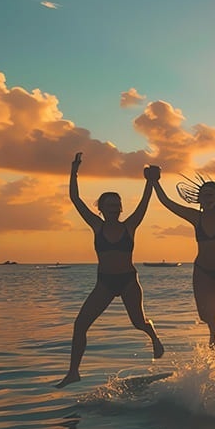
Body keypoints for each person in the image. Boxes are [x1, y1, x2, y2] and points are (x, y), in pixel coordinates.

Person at [57, 153, 165, 388]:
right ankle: (73, 372)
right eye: (110, 206)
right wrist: (74, 171)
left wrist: (150, 181)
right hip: (105, 282)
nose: (114, 209)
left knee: (138, 322)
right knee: (80, 324)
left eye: (117, 205)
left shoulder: (130, 225)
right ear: (102, 209)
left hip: (127, 281)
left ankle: (154, 336)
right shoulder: (97, 226)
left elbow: (145, 203)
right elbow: (75, 199)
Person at [148, 137, 215, 347]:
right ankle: (213, 329)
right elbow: (166, 202)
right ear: (199, 198)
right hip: (203, 270)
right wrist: (154, 182)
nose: (207, 198)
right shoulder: (194, 217)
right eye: (204, 195)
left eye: (211, 194)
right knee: (206, 316)